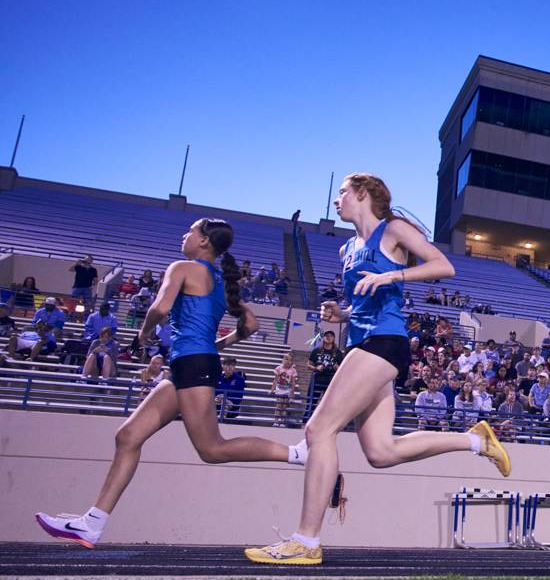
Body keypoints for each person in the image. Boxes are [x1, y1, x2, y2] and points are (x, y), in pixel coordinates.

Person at [245, 173, 510, 565]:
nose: (336, 200)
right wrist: (343, 312)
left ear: (363, 194)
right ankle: (476, 441)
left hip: (384, 343)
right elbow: (366, 301)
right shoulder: (347, 249)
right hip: (363, 340)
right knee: (381, 452)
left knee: (318, 429)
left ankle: (306, 541)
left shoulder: (394, 230)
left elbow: (443, 266)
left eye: (342, 193)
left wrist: (393, 274)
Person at [35, 218, 308, 549]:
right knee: (128, 436)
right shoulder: (221, 281)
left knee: (212, 449)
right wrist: (217, 345)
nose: (184, 235)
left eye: (191, 231)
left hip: (192, 364)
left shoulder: (182, 267)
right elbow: (249, 323)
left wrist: (144, 332)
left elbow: (160, 307)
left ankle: (298, 452)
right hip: (187, 365)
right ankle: (92, 523)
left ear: (204, 241)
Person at [306, 331, 344, 418]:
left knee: (329, 403)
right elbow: (308, 365)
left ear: (334, 338)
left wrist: (337, 367)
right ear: (323, 338)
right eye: (326, 336)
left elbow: (343, 369)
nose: (328, 337)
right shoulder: (316, 350)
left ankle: (325, 423)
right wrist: (316, 368)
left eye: (331, 336)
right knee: (311, 401)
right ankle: (306, 421)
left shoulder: (338, 353)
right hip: (317, 379)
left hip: (331, 380)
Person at [271, 352, 299, 426]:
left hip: (287, 390)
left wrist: (292, 394)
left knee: (284, 406)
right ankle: (276, 421)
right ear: (282, 360)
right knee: (279, 405)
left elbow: (293, 383)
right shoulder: (279, 368)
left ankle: (282, 421)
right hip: (280, 389)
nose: (288, 361)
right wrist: (272, 389)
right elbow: (275, 380)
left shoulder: (293, 371)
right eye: (286, 359)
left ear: (292, 362)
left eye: (290, 360)